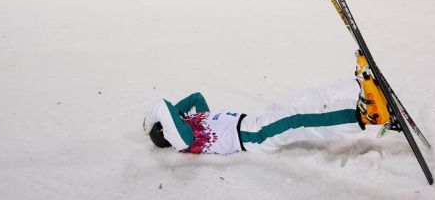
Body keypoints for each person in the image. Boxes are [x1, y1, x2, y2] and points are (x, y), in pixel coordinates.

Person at [142, 51, 393, 154]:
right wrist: (150, 122)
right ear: (166, 130)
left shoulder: (194, 123)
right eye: (169, 122)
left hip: (256, 121)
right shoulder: (182, 140)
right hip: (255, 137)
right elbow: (162, 105)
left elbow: (196, 97)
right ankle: (366, 115)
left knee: (304, 98)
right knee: (301, 119)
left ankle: (359, 86)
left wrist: (178, 113)